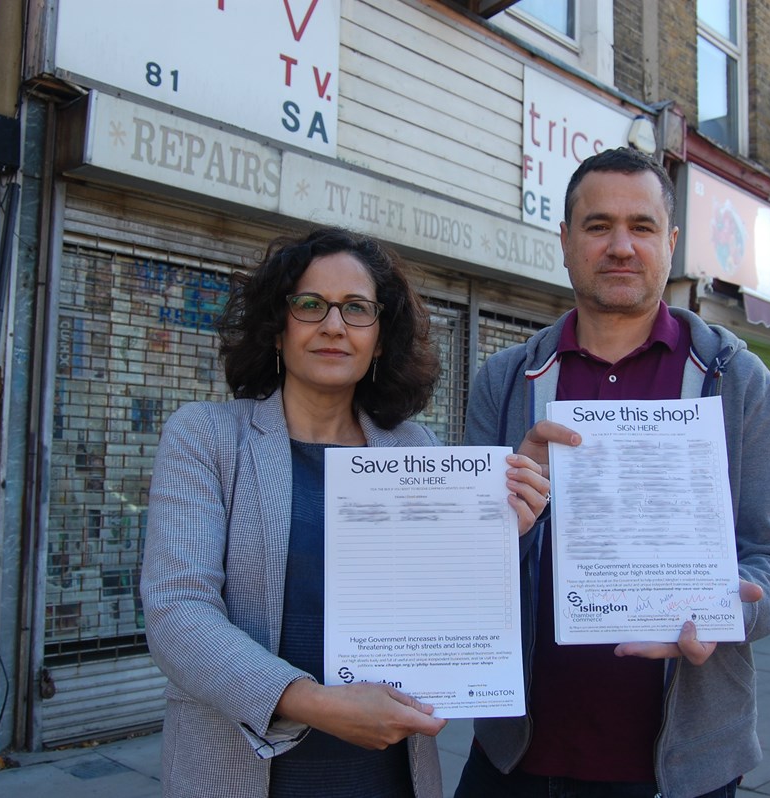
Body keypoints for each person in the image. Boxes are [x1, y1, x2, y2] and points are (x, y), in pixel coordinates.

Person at [140, 226, 551, 798]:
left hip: (387, 775)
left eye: (357, 309)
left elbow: (443, 601)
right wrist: (316, 705)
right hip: (240, 772)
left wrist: (502, 528)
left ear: (380, 339)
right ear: (277, 328)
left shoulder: (415, 449)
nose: (333, 325)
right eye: (310, 305)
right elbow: (177, 613)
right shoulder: (206, 439)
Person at [456, 147, 770, 798]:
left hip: (685, 769)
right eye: (598, 227)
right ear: (564, 242)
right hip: (516, 758)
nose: (620, 246)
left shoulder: (737, 383)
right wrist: (503, 520)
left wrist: (725, 609)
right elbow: (462, 569)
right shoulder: (505, 383)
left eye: (642, 227)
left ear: (670, 244)